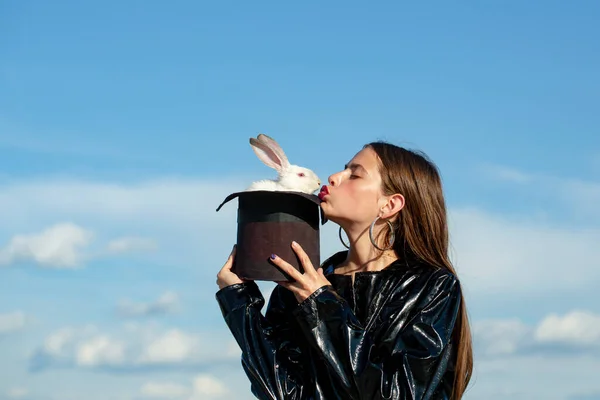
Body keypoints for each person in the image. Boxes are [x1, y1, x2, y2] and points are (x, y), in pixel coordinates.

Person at [215, 141, 473, 400]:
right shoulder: (305, 280)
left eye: (355, 173)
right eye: (343, 168)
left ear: (389, 205)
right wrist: (239, 302)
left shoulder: (431, 286)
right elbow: (280, 393)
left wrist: (320, 304)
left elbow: (398, 394)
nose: (334, 177)